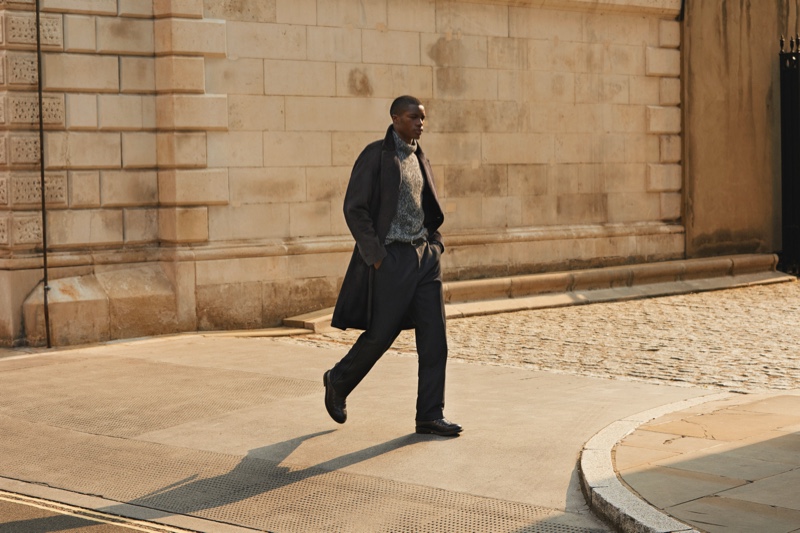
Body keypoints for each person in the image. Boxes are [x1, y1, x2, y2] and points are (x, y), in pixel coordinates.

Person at [323, 95, 462, 437]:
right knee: (381, 335)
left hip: (425, 258)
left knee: (435, 339)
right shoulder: (376, 155)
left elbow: (426, 206)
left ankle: (430, 414)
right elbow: (354, 208)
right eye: (414, 117)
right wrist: (378, 255)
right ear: (396, 118)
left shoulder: (419, 157)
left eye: (423, 118)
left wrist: (435, 243)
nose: (420, 124)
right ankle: (337, 381)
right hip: (392, 258)